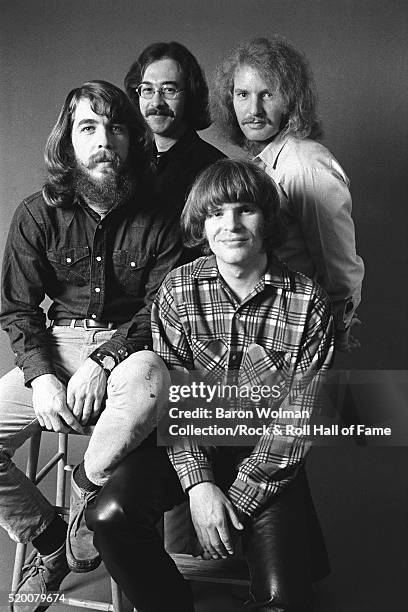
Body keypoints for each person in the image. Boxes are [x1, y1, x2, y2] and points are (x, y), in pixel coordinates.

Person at [87, 159, 334, 612]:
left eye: (246, 210)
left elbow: (297, 423)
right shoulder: (178, 289)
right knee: (109, 516)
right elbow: (176, 405)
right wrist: (199, 487)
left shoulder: (308, 303)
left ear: (268, 219)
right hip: (186, 445)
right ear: (201, 223)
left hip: (263, 457)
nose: (231, 225)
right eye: (217, 213)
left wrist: (233, 500)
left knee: (286, 602)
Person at [0, 80, 182, 608]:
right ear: (68, 143)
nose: (104, 139)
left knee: (151, 377)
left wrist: (104, 360)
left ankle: (86, 486)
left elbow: (160, 313)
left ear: (131, 140)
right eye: (89, 127)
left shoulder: (163, 216)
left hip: (131, 352)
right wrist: (41, 376)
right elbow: (17, 307)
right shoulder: (37, 213)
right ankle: (51, 538)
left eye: (116, 127)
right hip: (56, 346)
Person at [211, 36, 364, 351]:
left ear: (292, 99)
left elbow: (340, 270)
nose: (253, 109)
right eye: (242, 94)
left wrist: (336, 329)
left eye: (267, 94)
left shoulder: (305, 164)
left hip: (299, 333)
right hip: (265, 329)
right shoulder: (266, 162)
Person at [124, 40, 225, 218]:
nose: (156, 102)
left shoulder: (215, 170)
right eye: (147, 89)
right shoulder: (128, 162)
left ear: (191, 95)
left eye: (169, 90)